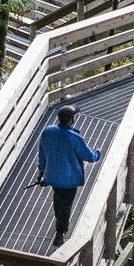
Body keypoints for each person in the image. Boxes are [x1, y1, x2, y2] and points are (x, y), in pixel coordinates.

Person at [37, 104, 101, 247]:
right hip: (69, 179)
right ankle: (60, 235)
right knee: (66, 205)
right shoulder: (73, 137)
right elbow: (89, 156)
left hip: (52, 176)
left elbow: (42, 151)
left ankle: (59, 219)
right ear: (71, 120)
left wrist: (41, 170)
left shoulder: (48, 131)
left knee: (58, 199)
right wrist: (98, 153)